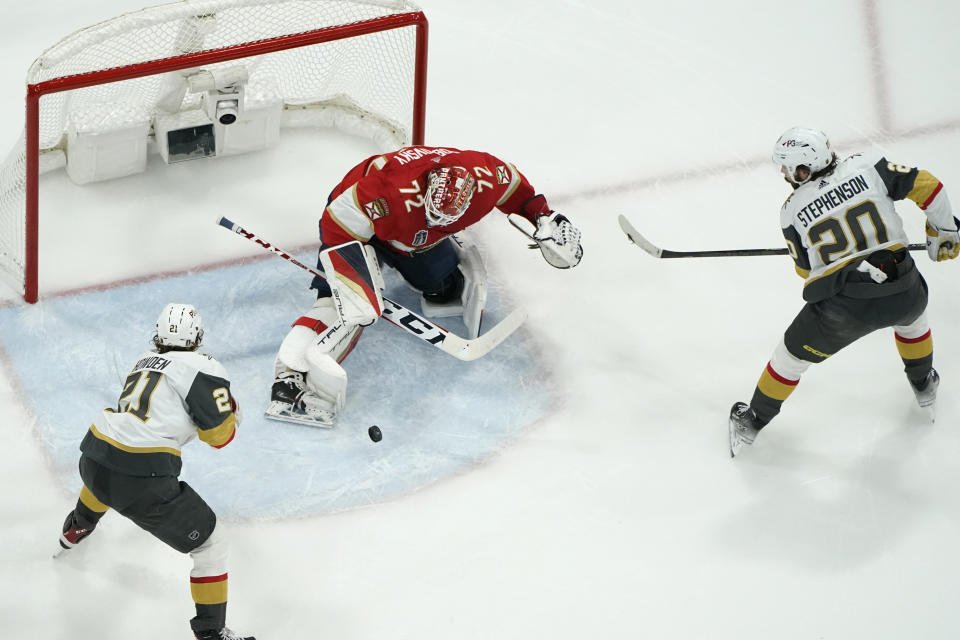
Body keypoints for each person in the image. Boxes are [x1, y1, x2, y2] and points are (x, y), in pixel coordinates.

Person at [267, 145, 583, 427]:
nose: (438, 221)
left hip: (409, 237)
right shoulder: (385, 192)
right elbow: (334, 224)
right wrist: (353, 279)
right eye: (433, 213)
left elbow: (516, 186)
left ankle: (402, 259)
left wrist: (544, 217)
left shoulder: (486, 177)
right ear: (427, 190)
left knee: (443, 288)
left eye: (445, 218)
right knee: (343, 307)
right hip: (357, 228)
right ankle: (288, 374)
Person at [728, 126, 959, 457]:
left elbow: (806, 271)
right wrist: (945, 229)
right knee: (913, 321)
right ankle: (924, 385)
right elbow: (929, 186)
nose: (783, 173)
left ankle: (752, 421)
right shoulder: (868, 165)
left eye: (786, 166)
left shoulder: (791, 209)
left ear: (803, 169)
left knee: (789, 358)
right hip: (904, 288)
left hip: (845, 308)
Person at [56, 303, 253, 640]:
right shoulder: (203, 368)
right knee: (211, 545)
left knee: (107, 471)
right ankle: (211, 632)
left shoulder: (141, 360)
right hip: (140, 477)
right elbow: (219, 437)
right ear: (198, 337)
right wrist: (231, 414)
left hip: (92, 454)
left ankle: (75, 530)